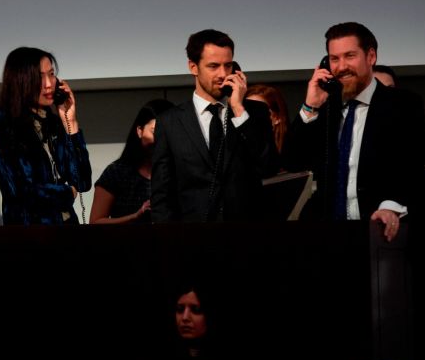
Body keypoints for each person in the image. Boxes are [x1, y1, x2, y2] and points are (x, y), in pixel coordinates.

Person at [282, 22, 425, 241]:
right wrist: (310, 106)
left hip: (379, 230)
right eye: (334, 59)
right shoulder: (325, 107)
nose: (341, 67)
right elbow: (293, 162)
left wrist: (390, 207)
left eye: (350, 56)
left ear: (371, 56)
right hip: (327, 233)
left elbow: (411, 166)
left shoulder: (403, 104)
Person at [150, 29, 277, 223]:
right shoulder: (170, 122)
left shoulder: (255, 112)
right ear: (193, 67)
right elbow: (162, 194)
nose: (223, 74)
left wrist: (238, 110)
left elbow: (268, 167)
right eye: (213, 66)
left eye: (228, 65)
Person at [0, 47, 91, 225]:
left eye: (51, 74)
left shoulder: (54, 122)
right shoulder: (1, 122)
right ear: (20, 81)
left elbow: (82, 181)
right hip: (30, 234)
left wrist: (70, 123)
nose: (49, 84)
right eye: (40, 77)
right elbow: (23, 190)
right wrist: (68, 193)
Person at [90, 99, 173, 224]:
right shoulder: (117, 172)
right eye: (155, 131)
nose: (162, 139)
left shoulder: (182, 170)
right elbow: (95, 222)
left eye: (168, 132)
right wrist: (135, 217)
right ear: (140, 131)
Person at [245, 84, 290, 158]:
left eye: (257, 111)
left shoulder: (291, 153)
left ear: (277, 118)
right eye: (246, 111)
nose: (250, 116)